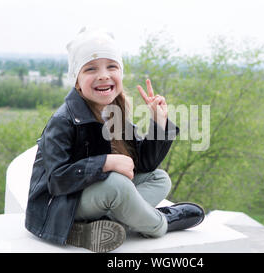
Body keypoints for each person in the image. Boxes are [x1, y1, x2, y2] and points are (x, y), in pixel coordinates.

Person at [25, 27, 205, 253]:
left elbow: (144, 165)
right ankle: (160, 223)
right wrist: (106, 162)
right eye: (90, 69)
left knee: (159, 179)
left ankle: (96, 227)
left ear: (120, 74)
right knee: (117, 184)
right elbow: (57, 180)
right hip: (62, 203)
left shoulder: (115, 113)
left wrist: (159, 123)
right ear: (77, 81)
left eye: (111, 66)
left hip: (98, 201)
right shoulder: (63, 120)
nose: (102, 74)